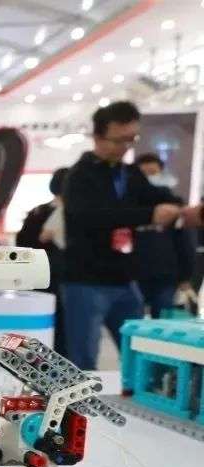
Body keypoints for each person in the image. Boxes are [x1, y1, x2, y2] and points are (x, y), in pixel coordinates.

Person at [61, 101, 202, 370]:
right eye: (118, 140)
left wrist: (184, 209)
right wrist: (149, 215)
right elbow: (91, 217)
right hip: (85, 281)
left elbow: (157, 197)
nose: (125, 146)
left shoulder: (129, 173)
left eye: (131, 139)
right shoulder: (79, 176)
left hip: (125, 280)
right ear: (98, 136)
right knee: (83, 361)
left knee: (140, 357)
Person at [132, 152, 198, 318]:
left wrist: (185, 277)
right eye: (144, 174)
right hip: (133, 275)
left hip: (166, 277)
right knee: (132, 322)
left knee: (163, 320)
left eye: (153, 173)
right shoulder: (128, 207)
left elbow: (185, 243)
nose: (149, 178)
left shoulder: (174, 206)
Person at [16, 168, 69, 356]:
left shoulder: (38, 212)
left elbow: (22, 245)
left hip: (42, 278)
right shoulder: (48, 213)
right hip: (65, 278)